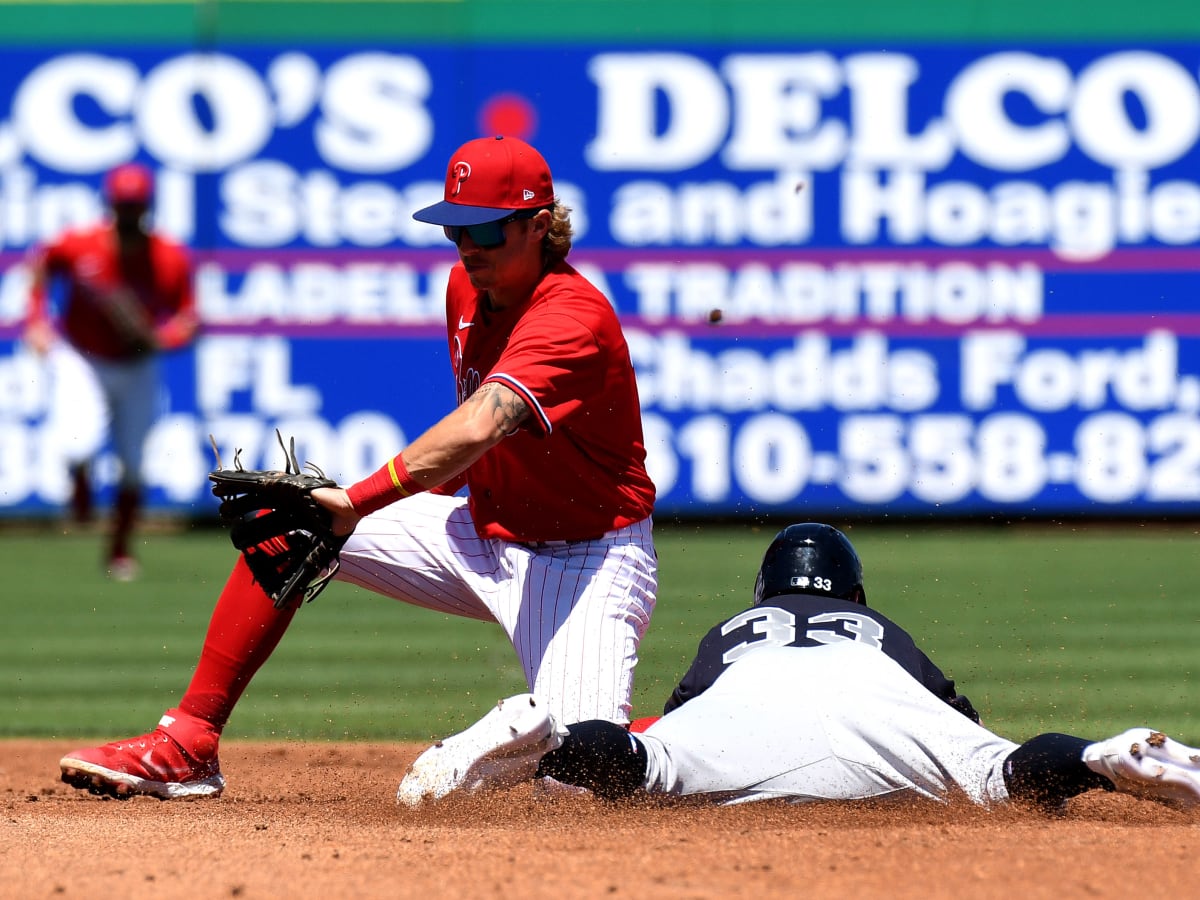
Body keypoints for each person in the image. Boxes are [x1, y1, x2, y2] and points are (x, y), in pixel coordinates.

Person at [58, 135, 659, 800]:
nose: (468, 246)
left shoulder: (572, 316)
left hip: (586, 562)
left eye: (485, 228)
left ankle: (686, 732)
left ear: (539, 226)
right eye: (456, 227)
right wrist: (351, 509)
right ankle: (188, 744)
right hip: (485, 532)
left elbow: (483, 422)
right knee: (291, 522)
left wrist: (361, 499)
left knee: (583, 780)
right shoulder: (467, 285)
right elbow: (481, 446)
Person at [396, 523, 1200, 812]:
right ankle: (1101, 758)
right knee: (998, 770)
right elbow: (964, 721)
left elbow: (671, 723)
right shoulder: (875, 627)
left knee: (647, 767)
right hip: (880, 703)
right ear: (851, 592)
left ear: (764, 590)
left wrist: (623, 748)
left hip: (746, 705)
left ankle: (548, 734)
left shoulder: (736, 629)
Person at [24, 162, 198, 580]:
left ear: (147, 207)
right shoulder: (82, 245)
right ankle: (80, 478)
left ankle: (119, 549)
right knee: (77, 445)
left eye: (135, 206)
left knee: (134, 463)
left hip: (137, 362)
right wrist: (36, 319)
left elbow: (188, 318)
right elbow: (40, 265)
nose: (128, 214)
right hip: (82, 356)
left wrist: (161, 339)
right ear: (110, 205)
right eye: (122, 205)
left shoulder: (169, 257)